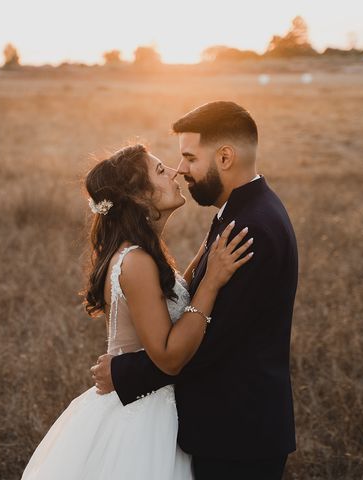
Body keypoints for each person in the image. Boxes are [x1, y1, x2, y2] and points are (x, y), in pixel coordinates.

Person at [91, 101, 299, 479]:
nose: (180, 168)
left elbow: (212, 340)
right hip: (223, 428)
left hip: (239, 436)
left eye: (189, 157)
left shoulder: (250, 229)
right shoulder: (236, 215)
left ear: (224, 157)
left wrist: (126, 373)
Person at [21, 143, 253, 480]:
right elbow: (169, 356)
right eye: (160, 171)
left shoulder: (139, 253)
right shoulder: (136, 262)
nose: (175, 172)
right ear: (140, 197)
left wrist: (206, 252)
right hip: (142, 417)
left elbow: (171, 295)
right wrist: (212, 282)